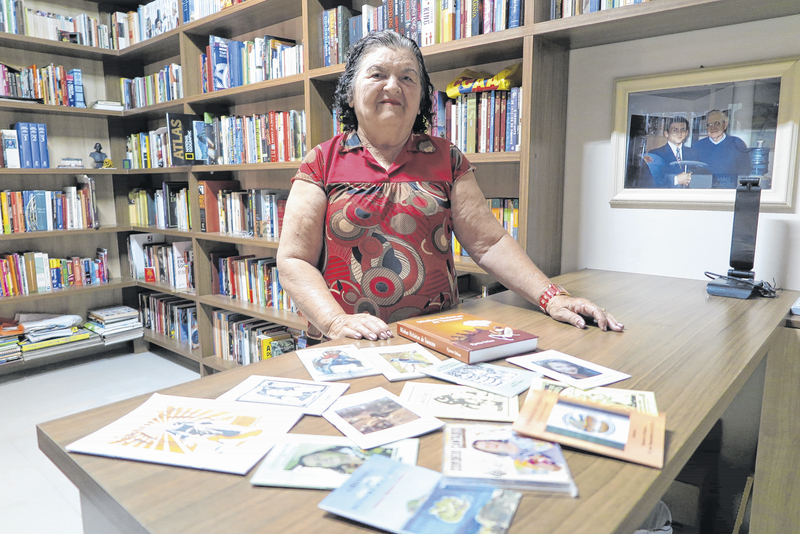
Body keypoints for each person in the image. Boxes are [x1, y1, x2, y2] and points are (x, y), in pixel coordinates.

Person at [276, 30, 624, 342]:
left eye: (407, 77)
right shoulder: (322, 161)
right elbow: (294, 259)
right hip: (348, 342)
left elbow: (489, 243)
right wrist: (335, 322)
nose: (393, 86)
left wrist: (552, 297)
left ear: (421, 98)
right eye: (378, 74)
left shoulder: (446, 157)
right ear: (351, 94)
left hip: (436, 338)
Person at [693, 110, 751, 188]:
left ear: (725, 125)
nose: (712, 127)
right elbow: (693, 172)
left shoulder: (737, 143)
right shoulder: (698, 146)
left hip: (730, 190)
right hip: (705, 190)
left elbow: (745, 171)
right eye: (709, 124)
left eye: (717, 123)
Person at [642, 117, 697, 188]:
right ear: (666, 133)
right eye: (675, 130)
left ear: (686, 133)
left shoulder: (693, 153)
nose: (679, 133)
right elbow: (650, 182)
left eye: (683, 130)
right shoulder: (655, 154)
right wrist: (676, 180)